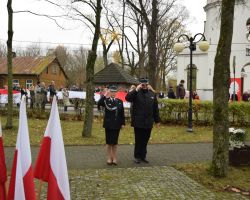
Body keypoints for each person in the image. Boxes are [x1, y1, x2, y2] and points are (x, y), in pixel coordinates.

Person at [125, 78, 160, 164]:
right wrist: (136, 89)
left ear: (148, 84)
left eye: (145, 84)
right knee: (139, 139)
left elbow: (155, 108)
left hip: (148, 121)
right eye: (142, 84)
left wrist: (157, 120)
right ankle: (137, 156)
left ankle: (143, 156)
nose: (144, 85)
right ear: (140, 84)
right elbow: (127, 98)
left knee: (145, 139)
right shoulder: (136, 93)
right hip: (138, 121)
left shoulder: (151, 94)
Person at [97, 85, 125, 165]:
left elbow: (121, 113)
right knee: (109, 142)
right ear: (110, 92)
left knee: (115, 143)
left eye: (114, 91)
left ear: (116, 92)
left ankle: (114, 157)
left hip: (117, 124)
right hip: (108, 124)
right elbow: (99, 104)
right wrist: (105, 94)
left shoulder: (120, 101)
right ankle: (109, 157)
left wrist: (123, 123)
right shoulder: (106, 100)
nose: (113, 93)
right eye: (112, 91)